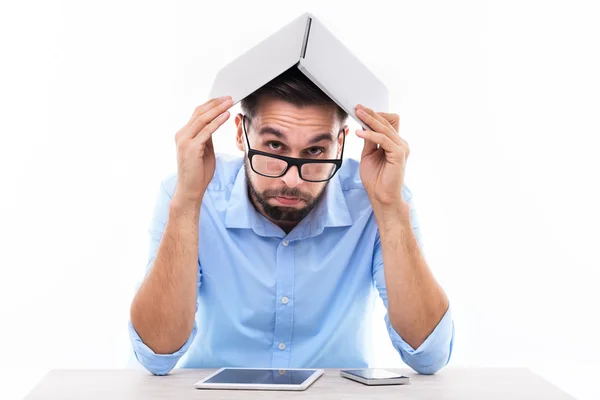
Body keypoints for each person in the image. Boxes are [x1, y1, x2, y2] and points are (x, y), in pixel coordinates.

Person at [129, 67, 454, 376]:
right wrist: (187, 204)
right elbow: (156, 353)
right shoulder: (190, 191)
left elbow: (428, 355)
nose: (293, 180)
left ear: (340, 143)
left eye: (314, 151)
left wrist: (390, 210)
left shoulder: (378, 196)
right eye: (274, 146)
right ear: (241, 135)